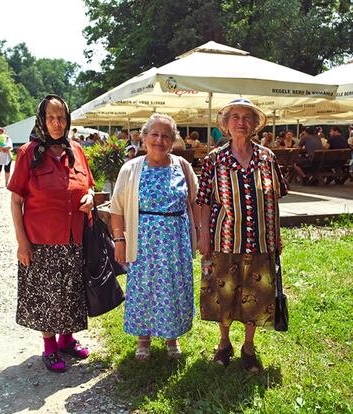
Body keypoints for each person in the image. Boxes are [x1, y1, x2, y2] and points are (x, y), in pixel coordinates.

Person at [197, 98, 288, 373]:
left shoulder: (267, 157)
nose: (240, 121)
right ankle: (224, 344)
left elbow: (274, 199)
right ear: (226, 125)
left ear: (253, 125)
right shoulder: (215, 159)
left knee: (256, 296)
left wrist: (277, 234)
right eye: (234, 117)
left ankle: (248, 348)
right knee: (223, 294)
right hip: (225, 239)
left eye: (246, 117)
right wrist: (204, 236)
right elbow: (204, 200)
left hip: (261, 240)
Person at [7, 95, 95, 373]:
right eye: (51, 118)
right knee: (46, 295)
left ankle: (67, 339)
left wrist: (91, 197)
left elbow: (89, 186)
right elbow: (16, 200)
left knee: (72, 292)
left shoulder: (77, 150)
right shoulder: (28, 153)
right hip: (41, 240)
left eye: (62, 118)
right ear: (42, 120)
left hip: (75, 237)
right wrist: (22, 243)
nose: (57, 123)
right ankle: (49, 346)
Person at [110, 113, 200, 361]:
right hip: (144, 243)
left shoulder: (182, 166)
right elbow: (116, 209)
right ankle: (144, 338)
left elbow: (195, 202)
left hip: (176, 242)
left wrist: (201, 235)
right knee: (144, 288)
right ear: (144, 137)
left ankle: (173, 337)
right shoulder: (130, 169)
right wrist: (119, 241)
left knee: (173, 288)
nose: (160, 140)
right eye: (155, 134)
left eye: (166, 136)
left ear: (173, 141)